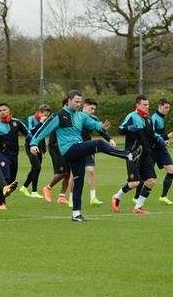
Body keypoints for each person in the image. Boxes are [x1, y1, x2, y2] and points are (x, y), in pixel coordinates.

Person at [29, 90, 140, 222]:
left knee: (78, 181)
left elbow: (94, 124)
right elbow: (44, 129)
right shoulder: (59, 115)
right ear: (69, 100)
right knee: (98, 143)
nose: (78, 104)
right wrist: (33, 143)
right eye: (76, 101)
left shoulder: (81, 115)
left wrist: (102, 126)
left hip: (78, 150)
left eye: (79, 102)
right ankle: (128, 155)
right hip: (69, 149)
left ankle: (76, 214)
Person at [110, 94, 163, 215]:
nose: (147, 106)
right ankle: (117, 197)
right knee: (135, 183)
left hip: (146, 155)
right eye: (144, 105)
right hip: (133, 154)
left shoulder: (148, 119)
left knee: (151, 181)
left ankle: (138, 207)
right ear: (137, 105)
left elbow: (152, 136)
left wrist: (160, 139)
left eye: (148, 104)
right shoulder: (132, 116)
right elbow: (120, 129)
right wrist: (130, 128)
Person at [0, 103, 31, 209]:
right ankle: (2, 202)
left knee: (11, 181)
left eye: (4, 109)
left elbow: (28, 133)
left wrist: (32, 143)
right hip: (3, 154)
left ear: (9, 110)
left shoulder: (17, 122)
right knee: (5, 178)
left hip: (14, 155)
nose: (2, 112)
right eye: (0, 110)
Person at [71, 98, 115, 206]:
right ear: (84, 106)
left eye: (94, 109)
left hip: (88, 148)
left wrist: (110, 139)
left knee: (90, 171)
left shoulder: (93, 118)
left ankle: (93, 197)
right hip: (76, 147)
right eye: (91, 108)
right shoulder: (76, 117)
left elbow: (100, 129)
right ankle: (71, 199)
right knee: (74, 174)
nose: (93, 111)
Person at [41, 99, 71, 205]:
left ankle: (61, 197)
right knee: (62, 172)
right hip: (55, 147)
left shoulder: (74, 116)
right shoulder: (58, 116)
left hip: (67, 147)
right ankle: (47, 188)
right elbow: (45, 129)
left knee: (68, 173)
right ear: (65, 105)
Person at [21, 104, 51, 199]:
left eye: (47, 115)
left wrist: (44, 150)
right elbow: (30, 132)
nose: (46, 117)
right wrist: (40, 123)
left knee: (35, 168)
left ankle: (24, 187)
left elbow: (42, 135)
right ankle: (34, 191)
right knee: (37, 167)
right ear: (39, 112)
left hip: (39, 147)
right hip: (30, 146)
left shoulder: (45, 121)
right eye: (45, 115)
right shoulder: (31, 119)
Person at [152, 98, 173, 205]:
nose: (167, 110)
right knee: (147, 177)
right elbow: (151, 135)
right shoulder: (154, 118)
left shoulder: (161, 118)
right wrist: (166, 137)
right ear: (160, 106)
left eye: (169, 108)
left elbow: (159, 133)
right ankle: (136, 197)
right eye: (166, 107)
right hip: (152, 150)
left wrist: (165, 141)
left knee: (171, 171)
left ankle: (163, 196)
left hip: (161, 149)